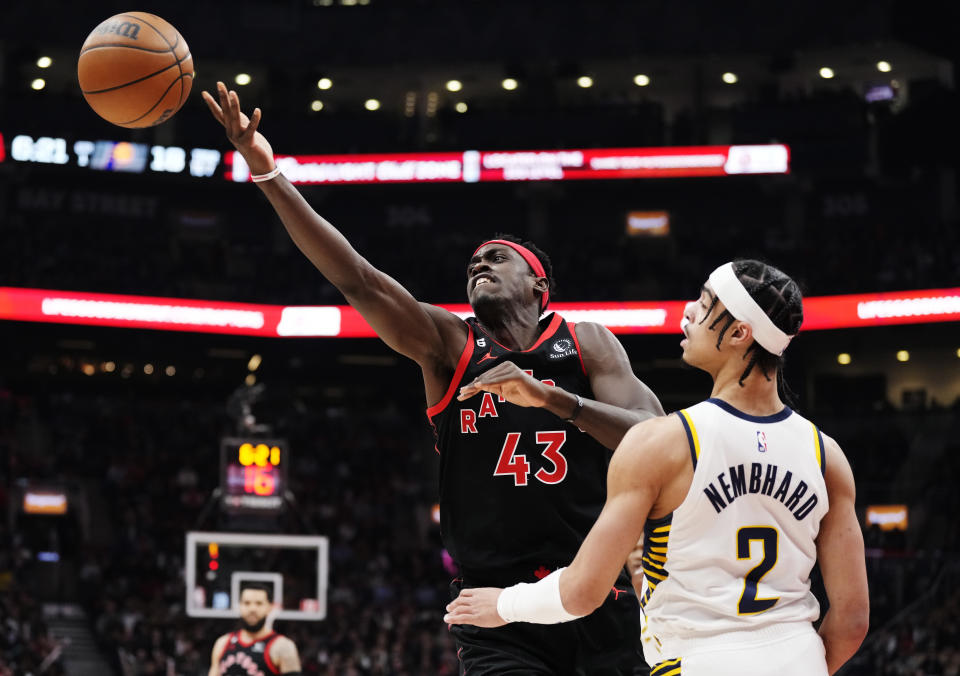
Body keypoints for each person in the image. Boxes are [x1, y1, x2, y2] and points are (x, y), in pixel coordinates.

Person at [203, 82, 664, 674]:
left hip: (594, 591)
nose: (479, 265)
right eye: (473, 261)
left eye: (497, 258)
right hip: (495, 609)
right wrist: (268, 174)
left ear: (540, 287)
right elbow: (359, 281)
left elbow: (653, 438)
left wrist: (555, 400)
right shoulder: (451, 344)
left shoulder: (588, 343)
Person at [444, 260, 871, 676]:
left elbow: (582, 592)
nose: (688, 311)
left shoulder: (663, 441)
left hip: (697, 659)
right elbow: (852, 622)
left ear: (740, 333)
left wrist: (503, 605)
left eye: (704, 306)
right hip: (799, 658)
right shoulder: (826, 455)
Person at [210, 583, 301, 676]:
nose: (252, 609)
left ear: (270, 607)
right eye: (247, 603)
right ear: (239, 606)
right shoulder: (223, 643)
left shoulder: (283, 647)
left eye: (259, 603)